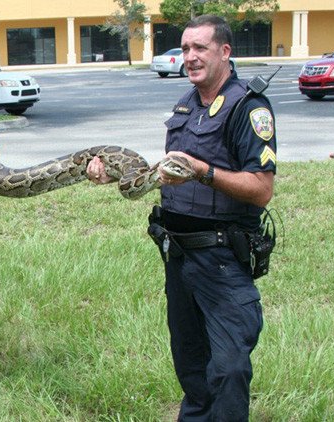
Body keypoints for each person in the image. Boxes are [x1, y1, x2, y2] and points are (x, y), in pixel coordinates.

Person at [88, 15, 276, 421]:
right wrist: (110, 171)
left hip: (223, 259)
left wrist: (202, 170)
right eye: (185, 48)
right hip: (177, 254)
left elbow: (261, 189)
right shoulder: (187, 104)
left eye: (200, 48)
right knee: (190, 366)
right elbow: (161, 175)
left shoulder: (249, 107)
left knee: (227, 368)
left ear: (225, 52)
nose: (189, 57)